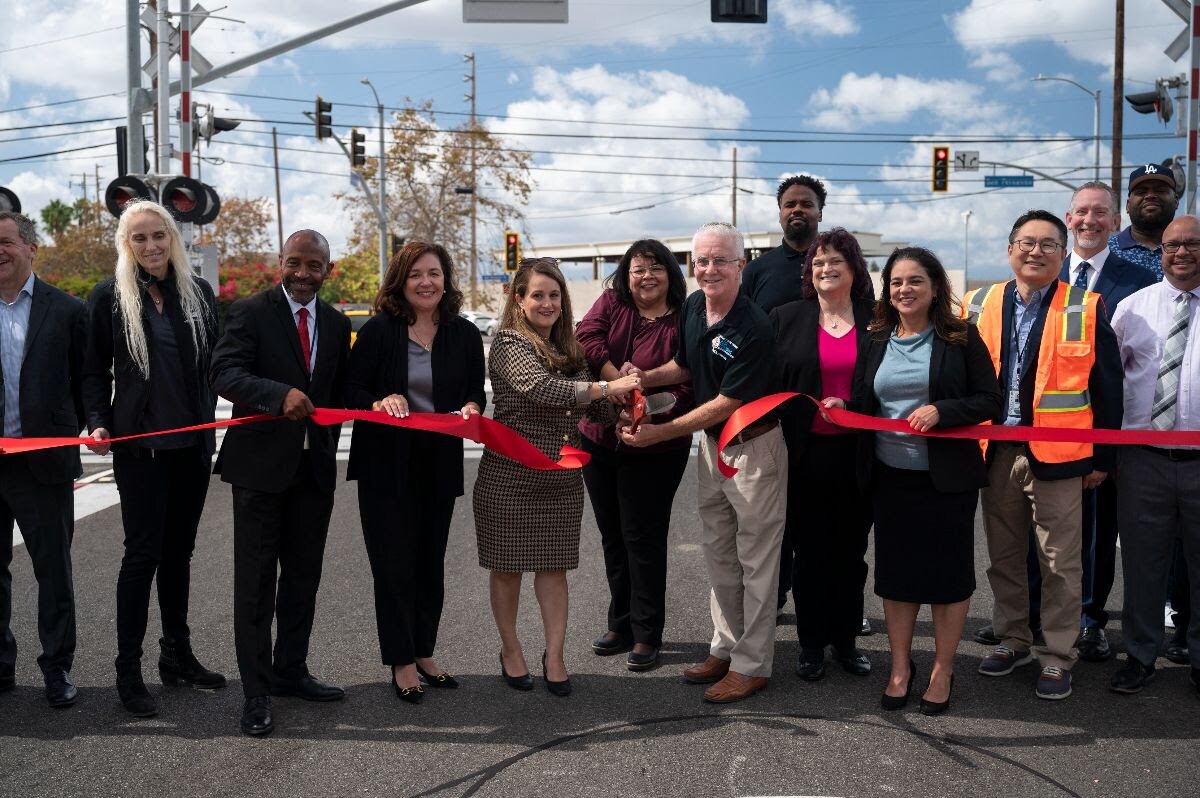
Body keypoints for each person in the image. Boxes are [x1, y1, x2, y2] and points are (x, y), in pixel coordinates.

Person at [824, 247, 1000, 714]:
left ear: (935, 287)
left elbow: (989, 400)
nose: (905, 289)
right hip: (890, 480)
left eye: (916, 281)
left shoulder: (961, 336)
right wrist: (847, 410)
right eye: (897, 282)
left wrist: (945, 411)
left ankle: (943, 668)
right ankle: (901, 668)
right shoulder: (877, 336)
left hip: (947, 481)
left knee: (948, 579)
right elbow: (866, 401)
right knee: (897, 580)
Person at [620, 222, 786, 704]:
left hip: (754, 450)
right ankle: (726, 647)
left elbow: (728, 401)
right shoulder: (694, 305)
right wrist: (643, 380)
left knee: (756, 561)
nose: (709, 269)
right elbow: (687, 366)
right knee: (719, 552)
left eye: (720, 260)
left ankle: (753, 665)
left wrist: (660, 433)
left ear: (741, 265)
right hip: (713, 449)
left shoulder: (753, 326)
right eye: (702, 261)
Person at [964, 209, 1122, 701]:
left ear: (1063, 251)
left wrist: (1102, 459)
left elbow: (1108, 389)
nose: (1036, 251)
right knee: (1004, 556)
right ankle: (1013, 639)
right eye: (1026, 243)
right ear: (1010, 249)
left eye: (1048, 244)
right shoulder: (977, 303)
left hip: (1061, 457)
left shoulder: (1087, 307)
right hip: (995, 453)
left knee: (1060, 562)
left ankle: (1056, 655)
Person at [82, 200, 224, 717]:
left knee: (179, 555)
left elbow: (218, 366)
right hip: (139, 450)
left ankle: (177, 657)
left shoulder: (199, 295)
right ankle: (128, 670)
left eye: (158, 236)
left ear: (173, 239)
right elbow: (93, 372)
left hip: (190, 448)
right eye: (139, 238)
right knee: (141, 556)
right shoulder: (108, 298)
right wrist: (97, 419)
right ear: (126, 244)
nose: (150, 246)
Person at [473, 258, 640, 698]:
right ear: (519, 299)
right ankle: (511, 650)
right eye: (538, 295)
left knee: (554, 570)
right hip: (509, 477)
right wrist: (607, 390)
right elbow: (544, 390)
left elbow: (597, 410)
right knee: (507, 570)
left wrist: (623, 398)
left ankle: (554, 655)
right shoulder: (508, 342)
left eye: (554, 295)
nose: (547, 303)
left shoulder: (571, 348)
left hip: (561, 480)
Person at [210, 229, 351, 736]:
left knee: (302, 578)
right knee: (255, 586)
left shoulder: (335, 324)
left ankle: (292, 670)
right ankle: (256, 691)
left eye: (314, 266)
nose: (303, 274)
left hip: (314, 472)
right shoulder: (250, 312)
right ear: (281, 262)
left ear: (327, 271)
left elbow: (344, 389)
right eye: (295, 263)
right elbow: (223, 372)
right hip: (259, 472)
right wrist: (278, 394)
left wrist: (381, 399)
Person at [345, 242, 485, 704]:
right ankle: (401, 662)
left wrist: (469, 406)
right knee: (394, 567)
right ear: (400, 282)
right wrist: (378, 400)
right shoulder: (379, 332)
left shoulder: (463, 334)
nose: (427, 282)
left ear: (446, 280)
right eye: (416, 275)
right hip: (386, 467)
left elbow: (472, 392)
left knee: (430, 564)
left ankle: (425, 652)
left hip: (438, 464)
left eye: (435, 274)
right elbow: (352, 387)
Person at [576, 240, 693, 672]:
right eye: (638, 268)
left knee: (642, 537)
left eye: (656, 268)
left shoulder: (686, 316)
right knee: (612, 536)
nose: (647, 276)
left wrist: (645, 411)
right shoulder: (612, 303)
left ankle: (647, 633)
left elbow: (689, 378)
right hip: (600, 437)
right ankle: (620, 623)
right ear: (626, 275)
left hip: (658, 443)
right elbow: (585, 339)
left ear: (671, 274)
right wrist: (615, 385)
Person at [769, 228, 875, 682]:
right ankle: (811, 644)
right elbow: (767, 381)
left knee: (851, 553)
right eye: (817, 263)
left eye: (835, 261)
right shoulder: (785, 317)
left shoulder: (879, 320)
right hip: (802, 455)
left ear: (854, 270)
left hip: (859, 453)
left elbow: (892, 385)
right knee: (809, 553)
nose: (825, 269)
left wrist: (853, 407)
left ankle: (847, 640)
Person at [1108, 214, 1200, 698]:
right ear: (1159, 251)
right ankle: (1140, 655)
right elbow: (1108, 378)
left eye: (1191, 244)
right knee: (1143, 565)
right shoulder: (1132, 308)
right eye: (1171, 246)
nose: (1181, 253)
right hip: (1142, 459)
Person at [0, 211, 87, 708]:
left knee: (52, 571)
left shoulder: (67, 310)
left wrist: (72, 425)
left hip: (44, 464)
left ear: (31, 249)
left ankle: (57, 668)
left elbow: (88, 379)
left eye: (8, 242)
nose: (1, 252)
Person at [741, 175, 828, 614]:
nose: (798, 210)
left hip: (829, 413)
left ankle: (831, 602)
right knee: (772, 515)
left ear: (819, 212)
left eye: (806, 204)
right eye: (790, 204)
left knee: (824, 517)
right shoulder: (757, 271)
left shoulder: (836, 264)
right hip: (772, 412)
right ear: (779, 212)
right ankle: (772, 599)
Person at [1108, 164, 1179, 281]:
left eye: (1160, 190)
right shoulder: (1105, 251)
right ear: (1128, 205)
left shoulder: (1191, 251)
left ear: (1176, 201)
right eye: (1141, 192)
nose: (1150, 196)